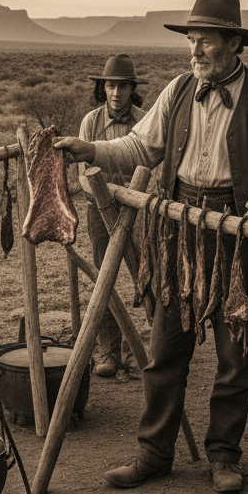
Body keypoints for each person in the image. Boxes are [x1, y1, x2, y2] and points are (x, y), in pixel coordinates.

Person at [57, 0, 248, 494]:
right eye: (191, 41)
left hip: (237, 235)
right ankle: (154, 453)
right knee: (164, 348)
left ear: (233, 43)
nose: (194, 51)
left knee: (233, 352)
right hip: (177, 231)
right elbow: (141, 147)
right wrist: (90, 148)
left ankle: (224, 455)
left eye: (205, 41)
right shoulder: (177, 91)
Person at [78, 54, 147, 377]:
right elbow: (81, 175)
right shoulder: (91, 122)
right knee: (102, 279)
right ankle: (108, 350)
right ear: (102, 88)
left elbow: (153, 168)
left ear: (132, 88)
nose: (116, 92)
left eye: (122, 86)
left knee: (146, 277)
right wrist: (101, 193)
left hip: (138, 210)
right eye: (110, 85)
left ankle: (146, 349)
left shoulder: (146, 121)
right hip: (98, 210)